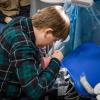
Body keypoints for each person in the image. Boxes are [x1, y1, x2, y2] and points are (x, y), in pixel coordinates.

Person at [0, 5, 70, 100]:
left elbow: (23, 56)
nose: (53, 43)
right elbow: (36, 92)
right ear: (47, 32)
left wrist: (39, 60)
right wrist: (55, 62)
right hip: (8, 95)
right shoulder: (22, 44)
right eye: (54, 40)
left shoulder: (21, 21)